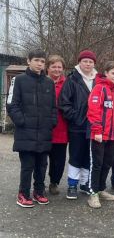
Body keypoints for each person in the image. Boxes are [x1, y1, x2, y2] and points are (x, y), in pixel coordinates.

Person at [7, 49, 56, 208]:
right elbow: (11, 105)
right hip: (25, 132)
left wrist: (51, 122)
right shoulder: (18, 80)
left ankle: (39, 192)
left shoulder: (49, 82)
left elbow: (53, 107)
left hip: (44, 132)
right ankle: (23, 194)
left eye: (42, 61)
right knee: (27, 166)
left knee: (42, 165)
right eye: (36, 60)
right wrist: (22, 121)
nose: (40, 64)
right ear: (28, 61)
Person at [59, 50, 97, 199]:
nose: (88, 64)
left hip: (93, 126)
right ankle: (72, 185)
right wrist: (76, 118)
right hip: (77, 126)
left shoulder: (98, 79)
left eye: (90, 62)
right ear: (79, 62)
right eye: (85, 61)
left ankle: (85, 183)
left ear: (94, 64)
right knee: (75, 156)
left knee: (89, 155)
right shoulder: (72, 80)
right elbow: (64, 103)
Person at [86, 61, 114, 208]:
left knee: (107, 163)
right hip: (99, 135)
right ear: (106, 73)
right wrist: (97, 131)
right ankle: (92, 194)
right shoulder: (99, 88)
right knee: (97, 164)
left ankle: (101, 189)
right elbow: (93, 111)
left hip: (112, 135)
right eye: (113, 73)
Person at [46, 55, 68, 195]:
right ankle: (39, 183)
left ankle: (54, 182)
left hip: (62, 128)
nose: (57, 69)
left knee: (58, 161)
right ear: (47, 68)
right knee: (41, 160)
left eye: (59, 67)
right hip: (44, 128)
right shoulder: (41, 82)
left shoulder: (67, 83)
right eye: (53, 66)